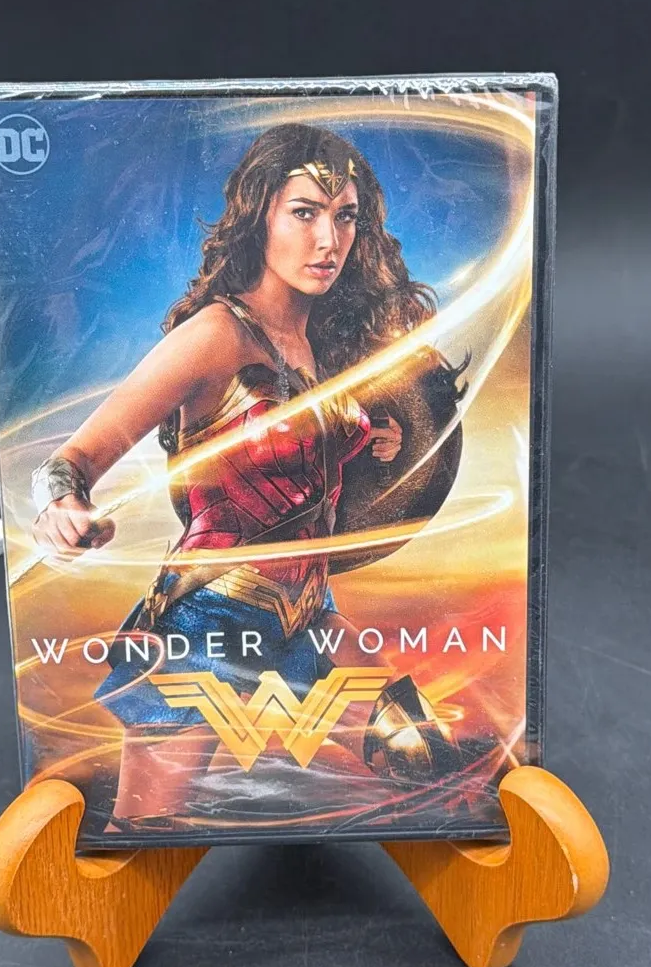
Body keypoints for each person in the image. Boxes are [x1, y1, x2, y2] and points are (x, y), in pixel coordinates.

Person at [31, 123, 460, 833]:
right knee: (147, 831)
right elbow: (67, 462)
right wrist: (62, 507)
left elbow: (308, 452)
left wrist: (376, 438)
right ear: (260, 215)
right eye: (305, 212)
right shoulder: (215, 335)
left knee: (423, 751)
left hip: (306, 615)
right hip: (208, 620)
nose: (328, 240)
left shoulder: (320, 343)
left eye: (345, 216)